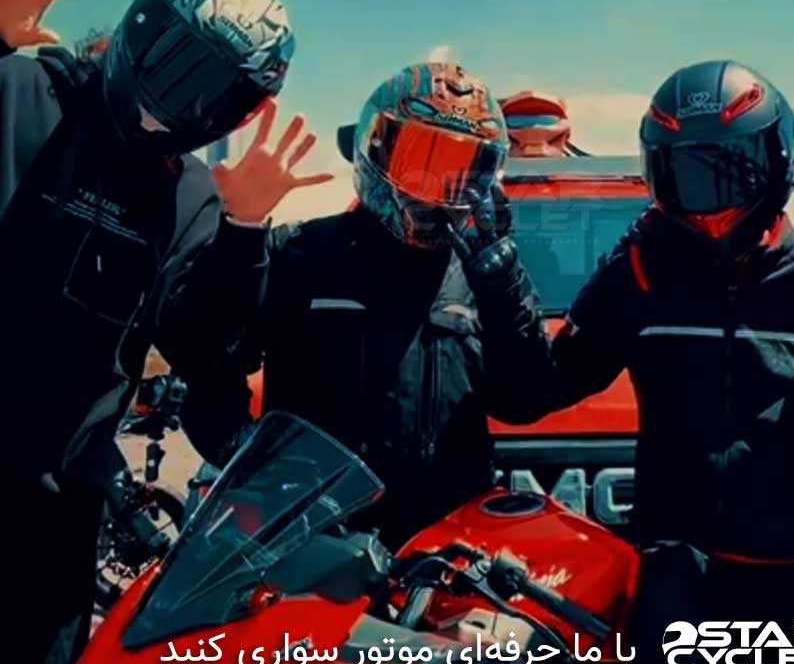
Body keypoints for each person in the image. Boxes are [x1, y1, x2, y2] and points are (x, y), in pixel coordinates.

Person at [0, 0, 330, 664]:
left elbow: (205, 347)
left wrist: (244, 230)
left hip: (52, 513)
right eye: (181, 68)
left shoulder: (191, 196)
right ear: (143, 27)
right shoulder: (21, 92)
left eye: (217, 96)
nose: (175, 110)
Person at [500, 60, 794, 664]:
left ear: (777, 162)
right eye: (683, 177)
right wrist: (498, 274)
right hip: (689, 567)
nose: (709, 207)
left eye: (728, 175)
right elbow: (534, 392)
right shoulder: (640, 273)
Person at [178, 62, 545, 549]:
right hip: (312, 544)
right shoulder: (299, 251)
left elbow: (523, 401)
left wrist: (505, 284)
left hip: (442, 553)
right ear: (375, 149)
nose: (436, 186)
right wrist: (240, 230)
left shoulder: (481, 275)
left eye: (458, 171)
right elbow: (204, 359)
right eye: (421, 160)